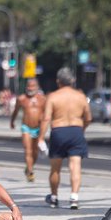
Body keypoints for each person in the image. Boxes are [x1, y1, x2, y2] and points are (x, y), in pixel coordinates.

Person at [38, 68, 92, 209]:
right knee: (75, 166)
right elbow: (88, 118)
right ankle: (74, 197)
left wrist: (41, 138)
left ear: (58, 81)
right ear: (72, 81)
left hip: (58, 131)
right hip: (76, 131)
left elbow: (46, 118)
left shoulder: (53, 96)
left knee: (55, 167)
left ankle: (54, 197)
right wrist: (82, 129)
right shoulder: (80, 96)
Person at [10, 78, 46, 182]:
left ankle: (29, 166)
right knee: (28, 150)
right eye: (29, 86)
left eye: (33, 86)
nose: (30, 88)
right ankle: (30, 172)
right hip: (26, 127)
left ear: (37, 87)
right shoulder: (21, 98)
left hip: (38, 128)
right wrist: (12, 121)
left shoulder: (42, 99)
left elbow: (47, 114)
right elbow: (15, 111)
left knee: (35, 152)